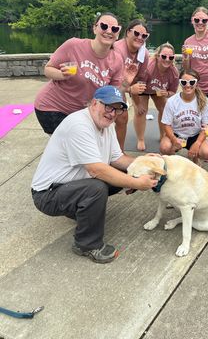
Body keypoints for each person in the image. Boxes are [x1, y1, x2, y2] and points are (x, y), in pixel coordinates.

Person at [31, 86, 158, 264]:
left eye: (118, 109)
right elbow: (96, 170)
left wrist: (144, 162)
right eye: (108, 107)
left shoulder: (107, 125)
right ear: (94, 103)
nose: (112, 113)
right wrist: (136, 183)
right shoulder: (78, 125)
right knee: (96, 188)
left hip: (70, 185)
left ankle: (79, 210)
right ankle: (87, 245)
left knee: (123, 171)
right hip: (47, 194)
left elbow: (118, 158)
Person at [34, 12, 135, 134]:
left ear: (118, 34)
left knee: (82, 147)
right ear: (94, 28)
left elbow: (112, 95)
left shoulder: (117, 60)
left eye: (114, 29)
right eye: (104, 26)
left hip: (81, 113)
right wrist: (62, 75)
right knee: (73, 147)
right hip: (52, 107)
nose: (109, 31)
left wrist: (125, 85)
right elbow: (48, 69)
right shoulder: (74, 45)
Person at [160, 69, 208, 164]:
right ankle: (172, 162)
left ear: (197, 83)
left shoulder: (204, 101)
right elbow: (166, 124)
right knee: (165, 148)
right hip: (177, 134)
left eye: (192, 82)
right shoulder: (172, 101)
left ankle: (196, 157)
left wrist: (197, 143)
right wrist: (173, 139)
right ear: (180, 83)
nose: (188, 85)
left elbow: (207, 125)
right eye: (184, 82)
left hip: (195, 135)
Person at [133, 42, 179, 150]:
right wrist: (137, 104)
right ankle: (140, 139)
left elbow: (173, 92)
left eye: (170, 57)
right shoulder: (148, 68)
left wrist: (166, 93)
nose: (167, 59)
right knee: (141, 111)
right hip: (142, 89)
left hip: (157, 91)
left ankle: (163, 135)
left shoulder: (174, 72)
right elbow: (135, 87)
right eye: (164, 56)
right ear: (158, 56)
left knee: (165, 109)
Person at [114, 19, 150, 150]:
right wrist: (130, 89)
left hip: (123, 88)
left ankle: (119, 151)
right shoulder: (117, 49)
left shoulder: (143, 54)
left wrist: (137, 102)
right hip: (107, 86)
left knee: (122, 118)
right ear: (128, 32)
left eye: (144, 36)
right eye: (136, 33)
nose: (140, 38)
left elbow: (138, 80)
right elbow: (112, 81)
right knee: (105, 119)